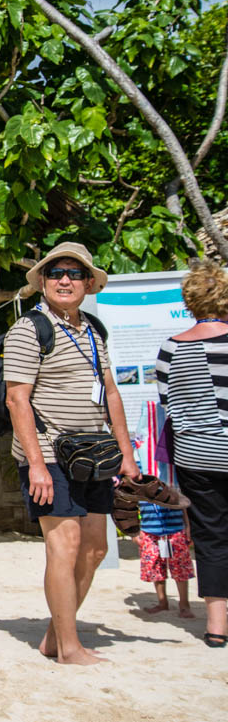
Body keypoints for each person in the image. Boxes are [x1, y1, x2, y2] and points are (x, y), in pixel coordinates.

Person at [5, 241, 140, 665]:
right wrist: (38, 466)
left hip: (93, 453)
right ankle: (69, 648)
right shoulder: (30, 329)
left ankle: (53, 635)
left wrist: (127, 454)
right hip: (48, 453)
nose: (65, 279)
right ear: (43, 282)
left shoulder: (93, 330)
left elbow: (112, 393)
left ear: (88, 283)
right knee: (64, 546)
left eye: (75, 273)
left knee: (96, 549)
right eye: (56, 272)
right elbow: (16, 400)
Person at [156, 260, 228, 647]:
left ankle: (216, 626)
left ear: (190, 301)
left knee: (212, 535)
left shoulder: (170, 348)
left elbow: (168, 402)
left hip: (196, 454)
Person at [132, 402, 195, 617]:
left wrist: (188, 526)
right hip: (149, 527)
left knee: (180, 567)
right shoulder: (139, 469)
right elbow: (129, 500)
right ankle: (162, 601)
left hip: (175, 526)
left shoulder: (172, 466)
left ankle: (184, 604)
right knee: (154, 566)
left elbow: (182, 500)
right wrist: (134, 530)